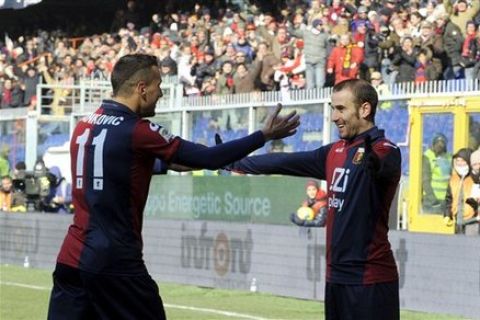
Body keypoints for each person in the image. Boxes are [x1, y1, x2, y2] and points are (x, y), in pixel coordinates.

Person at [47, 53, 300, 320]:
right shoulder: (138, 130)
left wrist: (217, 158)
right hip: (114, 261)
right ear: (141, 88)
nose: (161, 94)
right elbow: (206, 158)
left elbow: (149, 165)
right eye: (159, 86)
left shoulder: (83, 126)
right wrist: (263, 136)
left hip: (70, 260)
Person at [220, 79, 401, 319]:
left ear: (365, 109)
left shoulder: (385, 149)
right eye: (332, 108)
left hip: (370, 278)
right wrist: (233, 161)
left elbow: (384, 164)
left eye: (341, 109)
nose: (334, 117)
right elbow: (284, 162)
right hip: (335, 277)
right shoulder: (334, 152)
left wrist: (375, 164)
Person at [443, 148, 476, 234]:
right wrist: (447, 214)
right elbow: (448, 199)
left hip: (473, 221)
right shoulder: (453, 179)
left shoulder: (475, 179)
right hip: (457, 220)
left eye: (463, 161)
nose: (460, 164)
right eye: (458, 161)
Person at [422, 133, 452, 213]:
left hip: (446, 199)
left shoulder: (449, 157)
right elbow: (425, 180)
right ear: (433, 144)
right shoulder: (427, 157)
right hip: (431, 200)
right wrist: (433, 200)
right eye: (438, 143)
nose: (440, 145)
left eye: (442, 143)